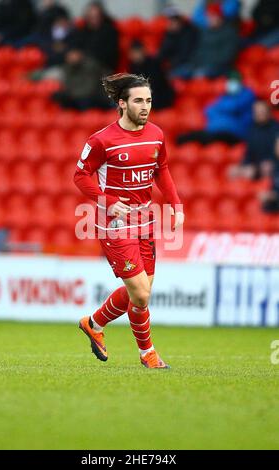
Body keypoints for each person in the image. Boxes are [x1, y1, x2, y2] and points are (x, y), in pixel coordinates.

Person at [74, 73, 184, 369]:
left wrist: (176, 205)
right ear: (122, 104)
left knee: (141, 294)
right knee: (141, 293)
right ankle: (147, 353)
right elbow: (80, 176)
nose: (145, 106)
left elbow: (162, 170)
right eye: (138, 101)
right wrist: (109, 203)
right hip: (114, 224)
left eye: (148, 100)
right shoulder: (101, 140)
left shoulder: (157, 134)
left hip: (145, 219)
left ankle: (93, 323)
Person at [177, 72, 255, 145]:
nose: (231, 83)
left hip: (234, 133)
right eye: (229, 81)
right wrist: (223, 109)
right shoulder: (225, 96)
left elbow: (234, 107)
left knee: (205, 138)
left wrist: (220, 109)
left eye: (234, 81)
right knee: (191, 136)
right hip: (216, 130)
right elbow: (209, 110)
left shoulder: (247, 94)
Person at [174, 4, 239, 79]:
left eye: (213, 16)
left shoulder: (230, 33)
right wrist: (193, 63)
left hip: (218, 68)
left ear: (220, 17)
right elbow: (197, 51)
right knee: (177, 73)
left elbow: (227, 56)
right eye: (208, 16)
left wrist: (206, 64)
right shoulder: (204, 32)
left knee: (199, 74)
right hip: (199, 65)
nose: (210, 19)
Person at [228, 100, 279, 180]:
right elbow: (249, 153)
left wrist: (272, 163)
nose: (259, 114)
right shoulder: (251, 129)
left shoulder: (276, 128)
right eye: (257, 111)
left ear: (268, 112)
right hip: (255, 165)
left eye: (262, 111)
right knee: (232, 170)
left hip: (272, 165)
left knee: (265, 168)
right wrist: (243, 165)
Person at [128, 40, 175, 109]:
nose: (135, 55)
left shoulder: (153, 64)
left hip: (160, 96)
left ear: (142, 52)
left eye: (137, 52)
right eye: (133, 53)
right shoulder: (132, 67)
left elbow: (156, 84)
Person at [158, 6, 199, 73]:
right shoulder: (170, 35)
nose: (171, 23)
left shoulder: (189, 32)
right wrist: (170, 36)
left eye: (173, 20)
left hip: (188, 64)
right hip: (176, 65)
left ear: (179, 21)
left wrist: (171, 63)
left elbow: (185, 54)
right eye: (169, 21)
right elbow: (162, 54)